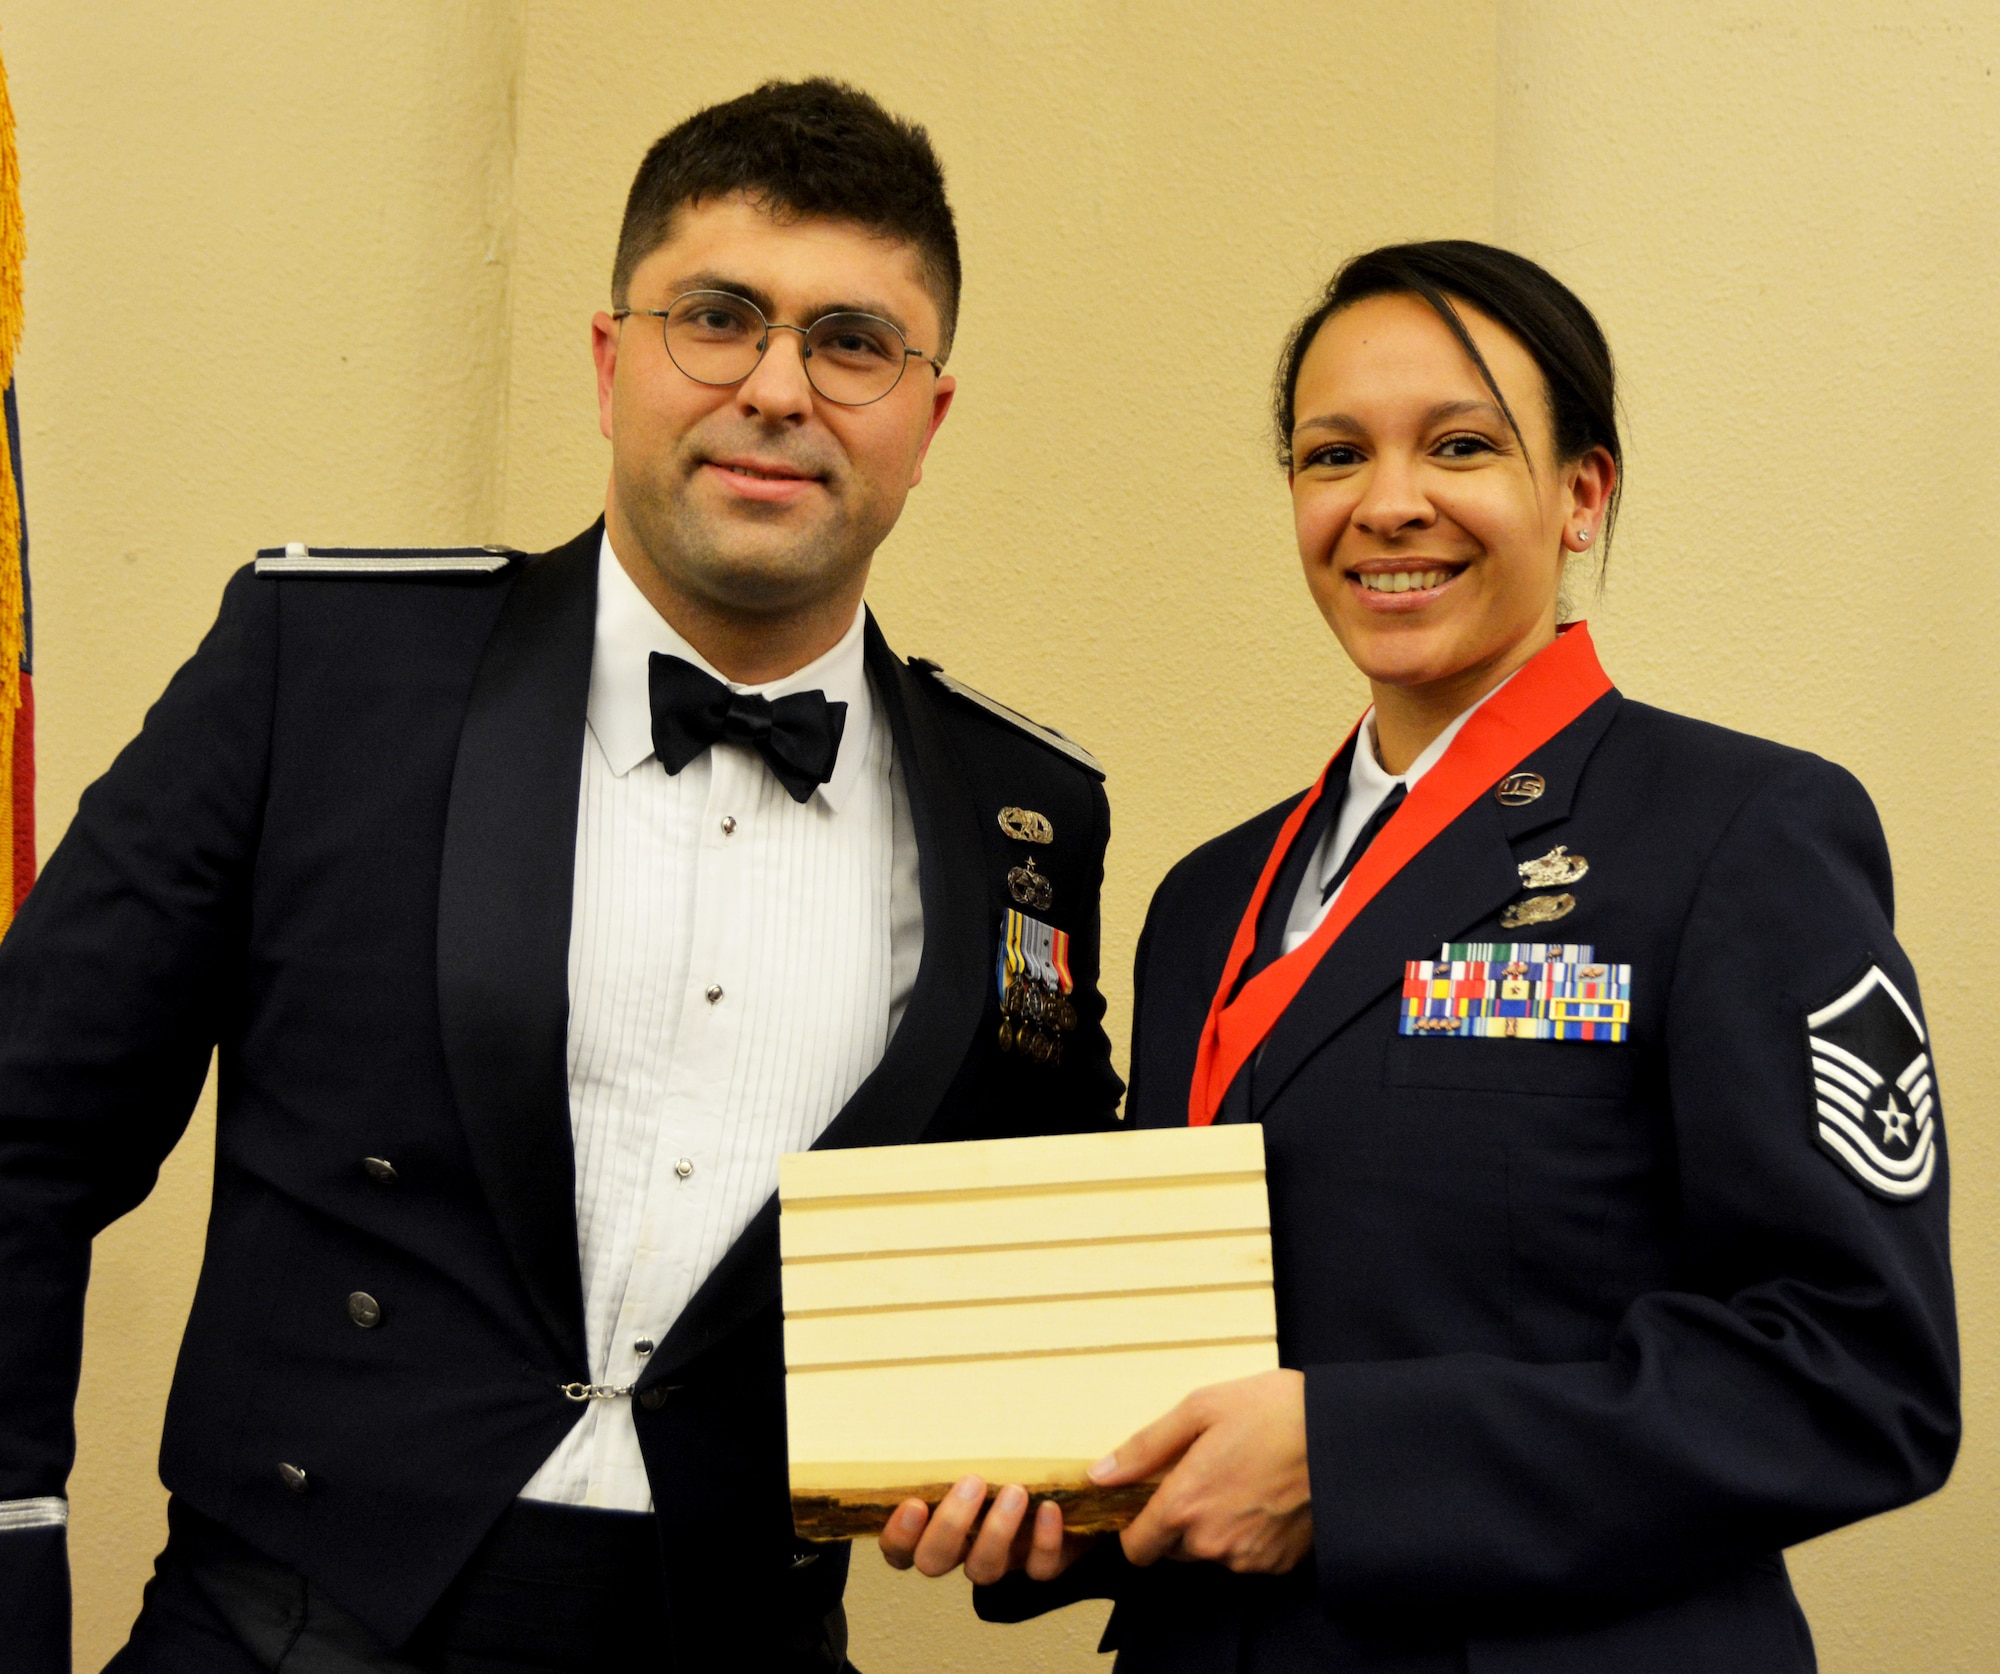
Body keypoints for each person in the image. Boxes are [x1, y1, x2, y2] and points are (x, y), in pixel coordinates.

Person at [0, 78, 1122, 1674]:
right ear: (612, 365)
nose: (778, 388)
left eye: (853, 342)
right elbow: (21, 1133)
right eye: (717, 317)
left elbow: (1036, 1266)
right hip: (282, 1635)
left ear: (928, 420)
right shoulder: (322, 670)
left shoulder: (1028, 810)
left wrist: (1060, 1506)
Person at [883, 241, 1959, 1670]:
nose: (1389, 503)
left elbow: (1853, 1371)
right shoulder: (1208, 900)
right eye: (1334, 454)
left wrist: (1349, 1459)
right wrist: (1069, 1499)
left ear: (1582, 493)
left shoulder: (1742, 834)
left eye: (1459, 444)